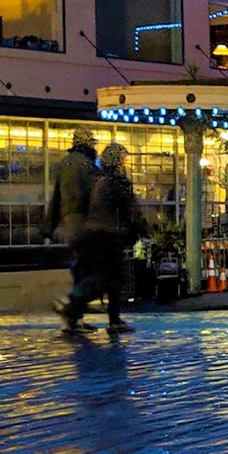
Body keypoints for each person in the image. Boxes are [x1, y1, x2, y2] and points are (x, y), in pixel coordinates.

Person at [80, 143, 145, 335]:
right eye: (123, 157)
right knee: (111, 279)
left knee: (104, 278)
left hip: (95, 235)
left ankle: (79, 309)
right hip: (112, 236)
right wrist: (139, 229)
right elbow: (129, 209)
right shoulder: (117, 180)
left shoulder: (96, 180)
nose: (125, 161)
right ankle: (110, 320)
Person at [49, 127, 100, 332]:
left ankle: (75, 319)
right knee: (92, 271)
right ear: (87, 143)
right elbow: (93, 195)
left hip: (68, 223)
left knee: (80, 269)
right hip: (84, 223)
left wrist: (51, 225)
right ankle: (69, 306)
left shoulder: (64, 164)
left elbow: (55, 198)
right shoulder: (86, 165)